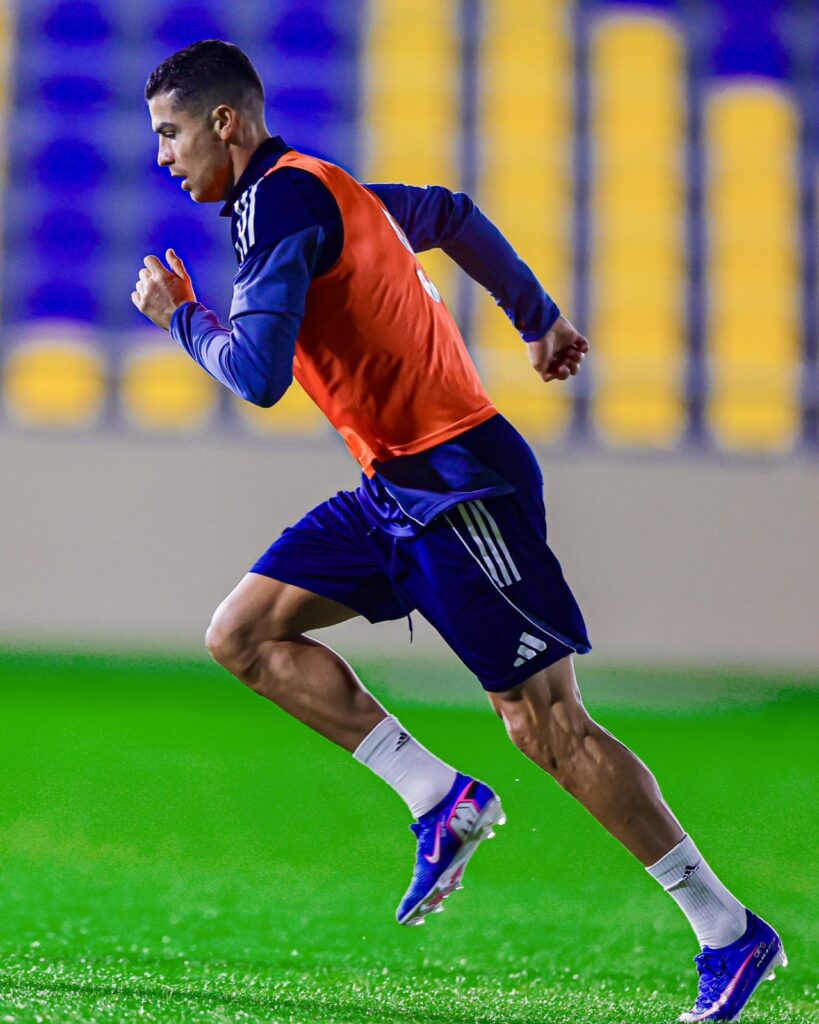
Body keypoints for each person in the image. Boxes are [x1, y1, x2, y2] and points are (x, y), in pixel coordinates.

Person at [132, 40, 784, 1023]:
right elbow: (447, 213)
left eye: (171, 133)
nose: (163, 157)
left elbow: (258, 376)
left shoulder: (277, 205)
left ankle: (727, 932)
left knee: (548, 728)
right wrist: (538, 317)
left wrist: (182, 318)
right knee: (244, 634)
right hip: (394, 485)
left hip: (459, 487)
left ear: (225, 122)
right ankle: (437, 797)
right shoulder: (323, 188)